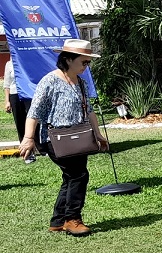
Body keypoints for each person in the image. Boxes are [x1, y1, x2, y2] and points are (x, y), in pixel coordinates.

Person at [17, 39, 109, 236]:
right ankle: (72, 219)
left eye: (88, 62)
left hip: (80, 139)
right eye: (84, 62)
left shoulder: (81, 83)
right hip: (56, 139)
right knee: (79, 175)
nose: (87, 66)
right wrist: (28, 138)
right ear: (68, 60)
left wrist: (98, 134)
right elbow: (34, 112)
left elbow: (89, 111)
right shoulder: (49, 81)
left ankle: (58, 221)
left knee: (71, 177)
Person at [4, 57, 36, 164]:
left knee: (32, 119)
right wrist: (7, 101)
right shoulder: (9, 64)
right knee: (20, 122)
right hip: (15, 94)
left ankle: (41, 148)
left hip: (28, 94)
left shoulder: (26, 61)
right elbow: (7, 85)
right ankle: (27, 152)